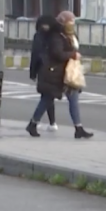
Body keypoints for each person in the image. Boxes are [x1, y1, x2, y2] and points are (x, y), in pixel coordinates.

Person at [26, 10, 94, 139]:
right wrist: (73, 55)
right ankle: (33, 124)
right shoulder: (56, 36)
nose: (72, 25)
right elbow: (57, 53)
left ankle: (78, 128)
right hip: (55, 73)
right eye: (70, 22)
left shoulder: (70, 35)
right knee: (46, 100)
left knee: (73, 99)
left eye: (73, 22)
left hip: (67, 73)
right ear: (63, 22)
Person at [29, 15, 57, 131]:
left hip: (43, 70)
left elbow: (35, 55)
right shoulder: (55, 36)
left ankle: (35, 122)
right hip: (55, 70)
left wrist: (33, 72)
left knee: (46, 97)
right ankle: (52, 123)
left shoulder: (39, 36)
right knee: (48, 96)